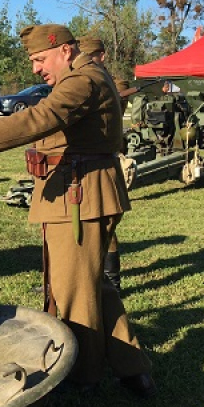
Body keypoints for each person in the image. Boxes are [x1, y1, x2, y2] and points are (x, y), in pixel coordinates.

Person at [0, 24, 155, 397]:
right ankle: (132, 367)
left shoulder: (83, 80)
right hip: (76, 192)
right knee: (91, 287)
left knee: (73, 293)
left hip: (78, 197)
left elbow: (42, 117)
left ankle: (80, 378)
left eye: (39, 59)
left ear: (65, 51)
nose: (35, 69)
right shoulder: (84, 75)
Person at [79, 36, 126, 295]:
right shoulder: (84, 79)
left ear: (102, 55)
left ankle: (111, 281)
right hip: (85, 165)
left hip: (103, 163)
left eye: (90, 55)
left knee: (106, 229)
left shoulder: (107, 81)